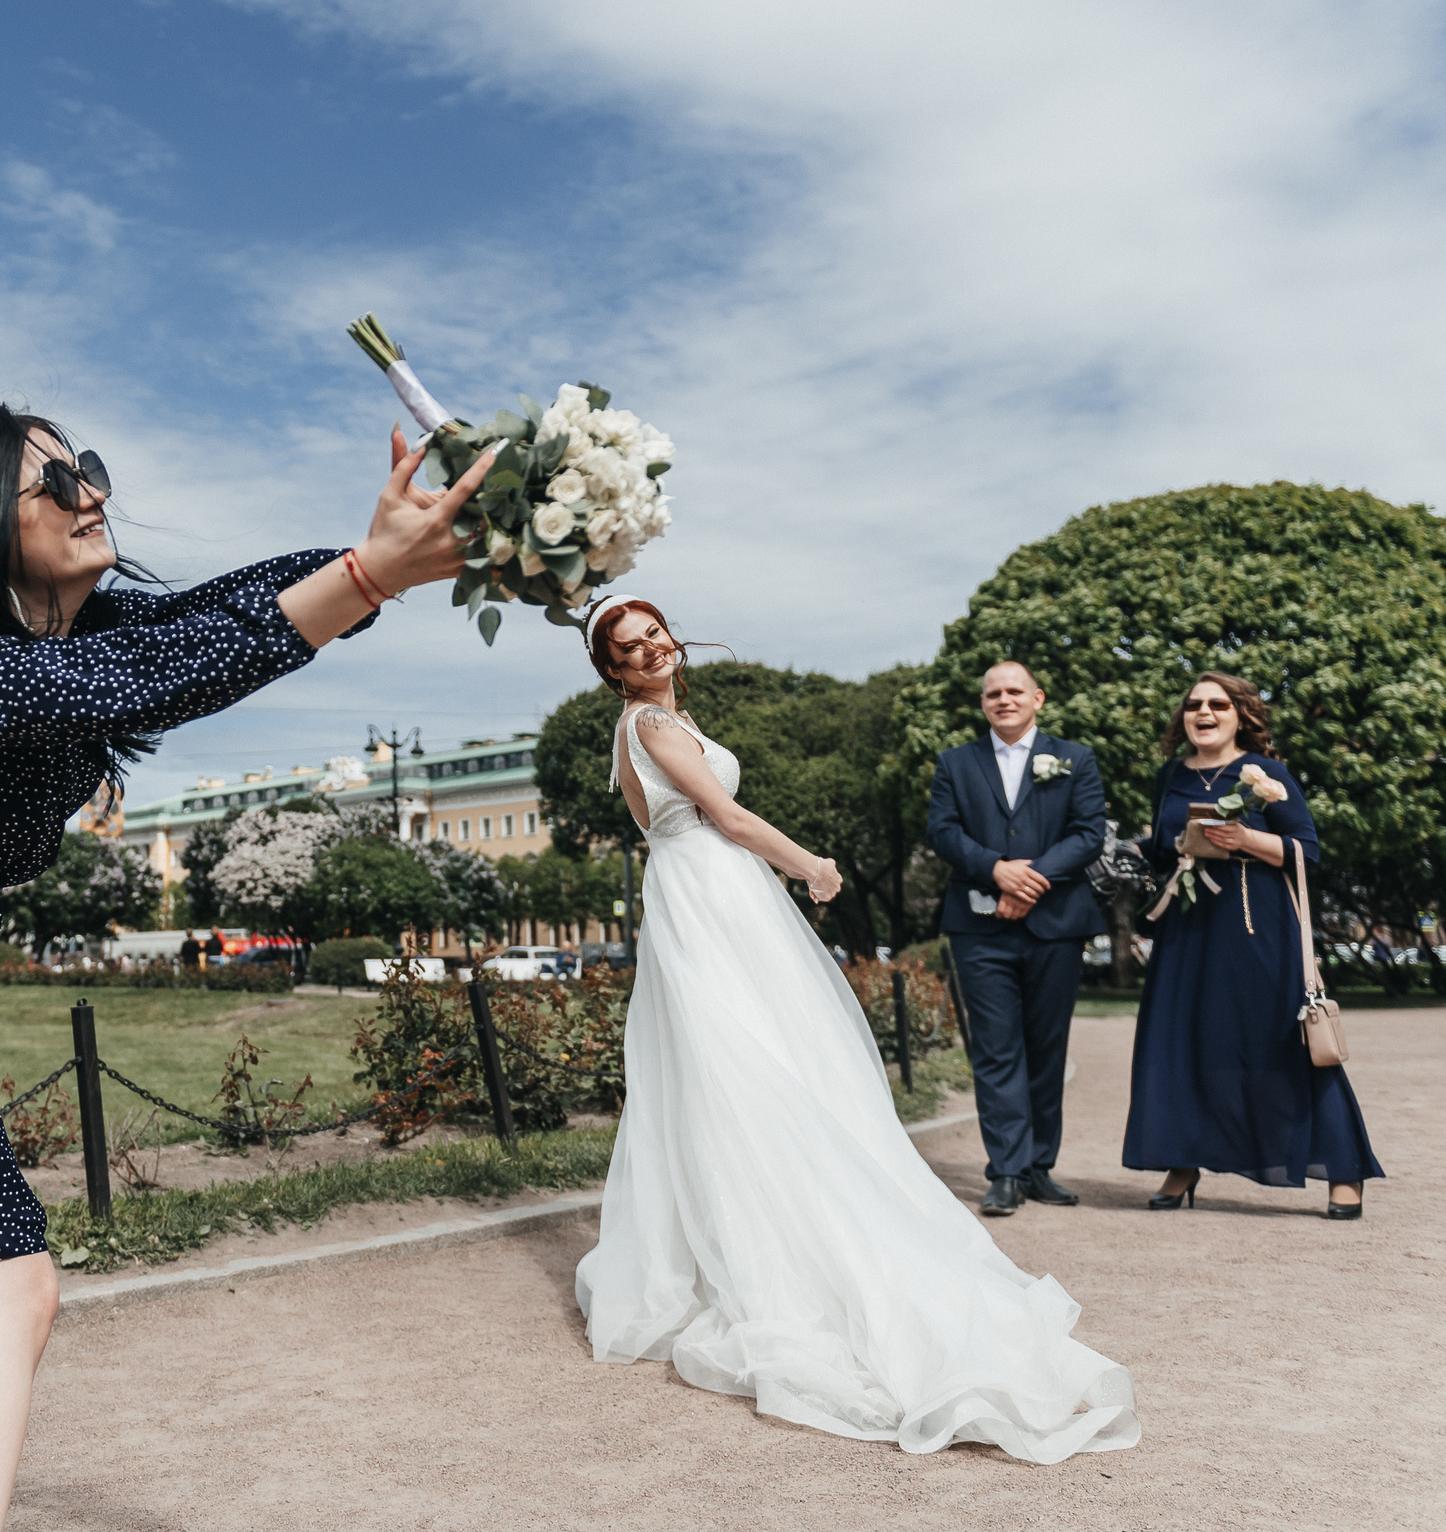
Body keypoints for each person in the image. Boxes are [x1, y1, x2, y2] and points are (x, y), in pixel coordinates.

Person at [0, 403, 491, 1530]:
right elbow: (162, 676)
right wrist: (369, 573)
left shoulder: (70, 633)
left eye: (91, 470)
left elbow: (213, 614)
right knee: (3, 1290)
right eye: (57, 481)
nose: (91, 493)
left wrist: (384, 557)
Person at [574, 596, 1138, 1464]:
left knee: (750, 1062)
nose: (650, 648)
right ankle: (776, 1247)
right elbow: (722, 818)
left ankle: (734, 1228)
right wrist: (809, 865)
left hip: (701, 891)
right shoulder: (649, 723)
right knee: (751, 1062)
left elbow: (671, 826)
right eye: (630, 645)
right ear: (613, 667)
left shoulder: (661, 722)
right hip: (714, 891)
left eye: (654, 633)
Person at [1121, 673, 1383, 1218]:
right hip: (1187, 933)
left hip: (1256, 930)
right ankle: (1182, 1160)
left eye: (1218, 704)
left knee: (1282, 1045)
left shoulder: (1267, 773)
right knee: (1183, 1046)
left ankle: (1344, 1166)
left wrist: (1244, 839)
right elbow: (1161, 846)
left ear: (1241, 715)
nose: (1204, 712)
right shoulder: (1170, 776)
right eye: (1194, 705)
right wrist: (1135, 851)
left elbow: (1306, 852)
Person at [924, 661, 1107, 1216]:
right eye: (993, 693)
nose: (1003, 700)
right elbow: (943, 831)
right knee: (997, 1050)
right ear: (983, 703)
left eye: (1014, 692)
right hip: (979, 929)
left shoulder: (1075, 759)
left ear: (1038, 698)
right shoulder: (956, 762)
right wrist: (996, 870)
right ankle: (1004, 1171)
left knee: (1047, 1050)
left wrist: (1031, 880)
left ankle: (1038, 1167)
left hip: (1057, 925)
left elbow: (1089, 833)